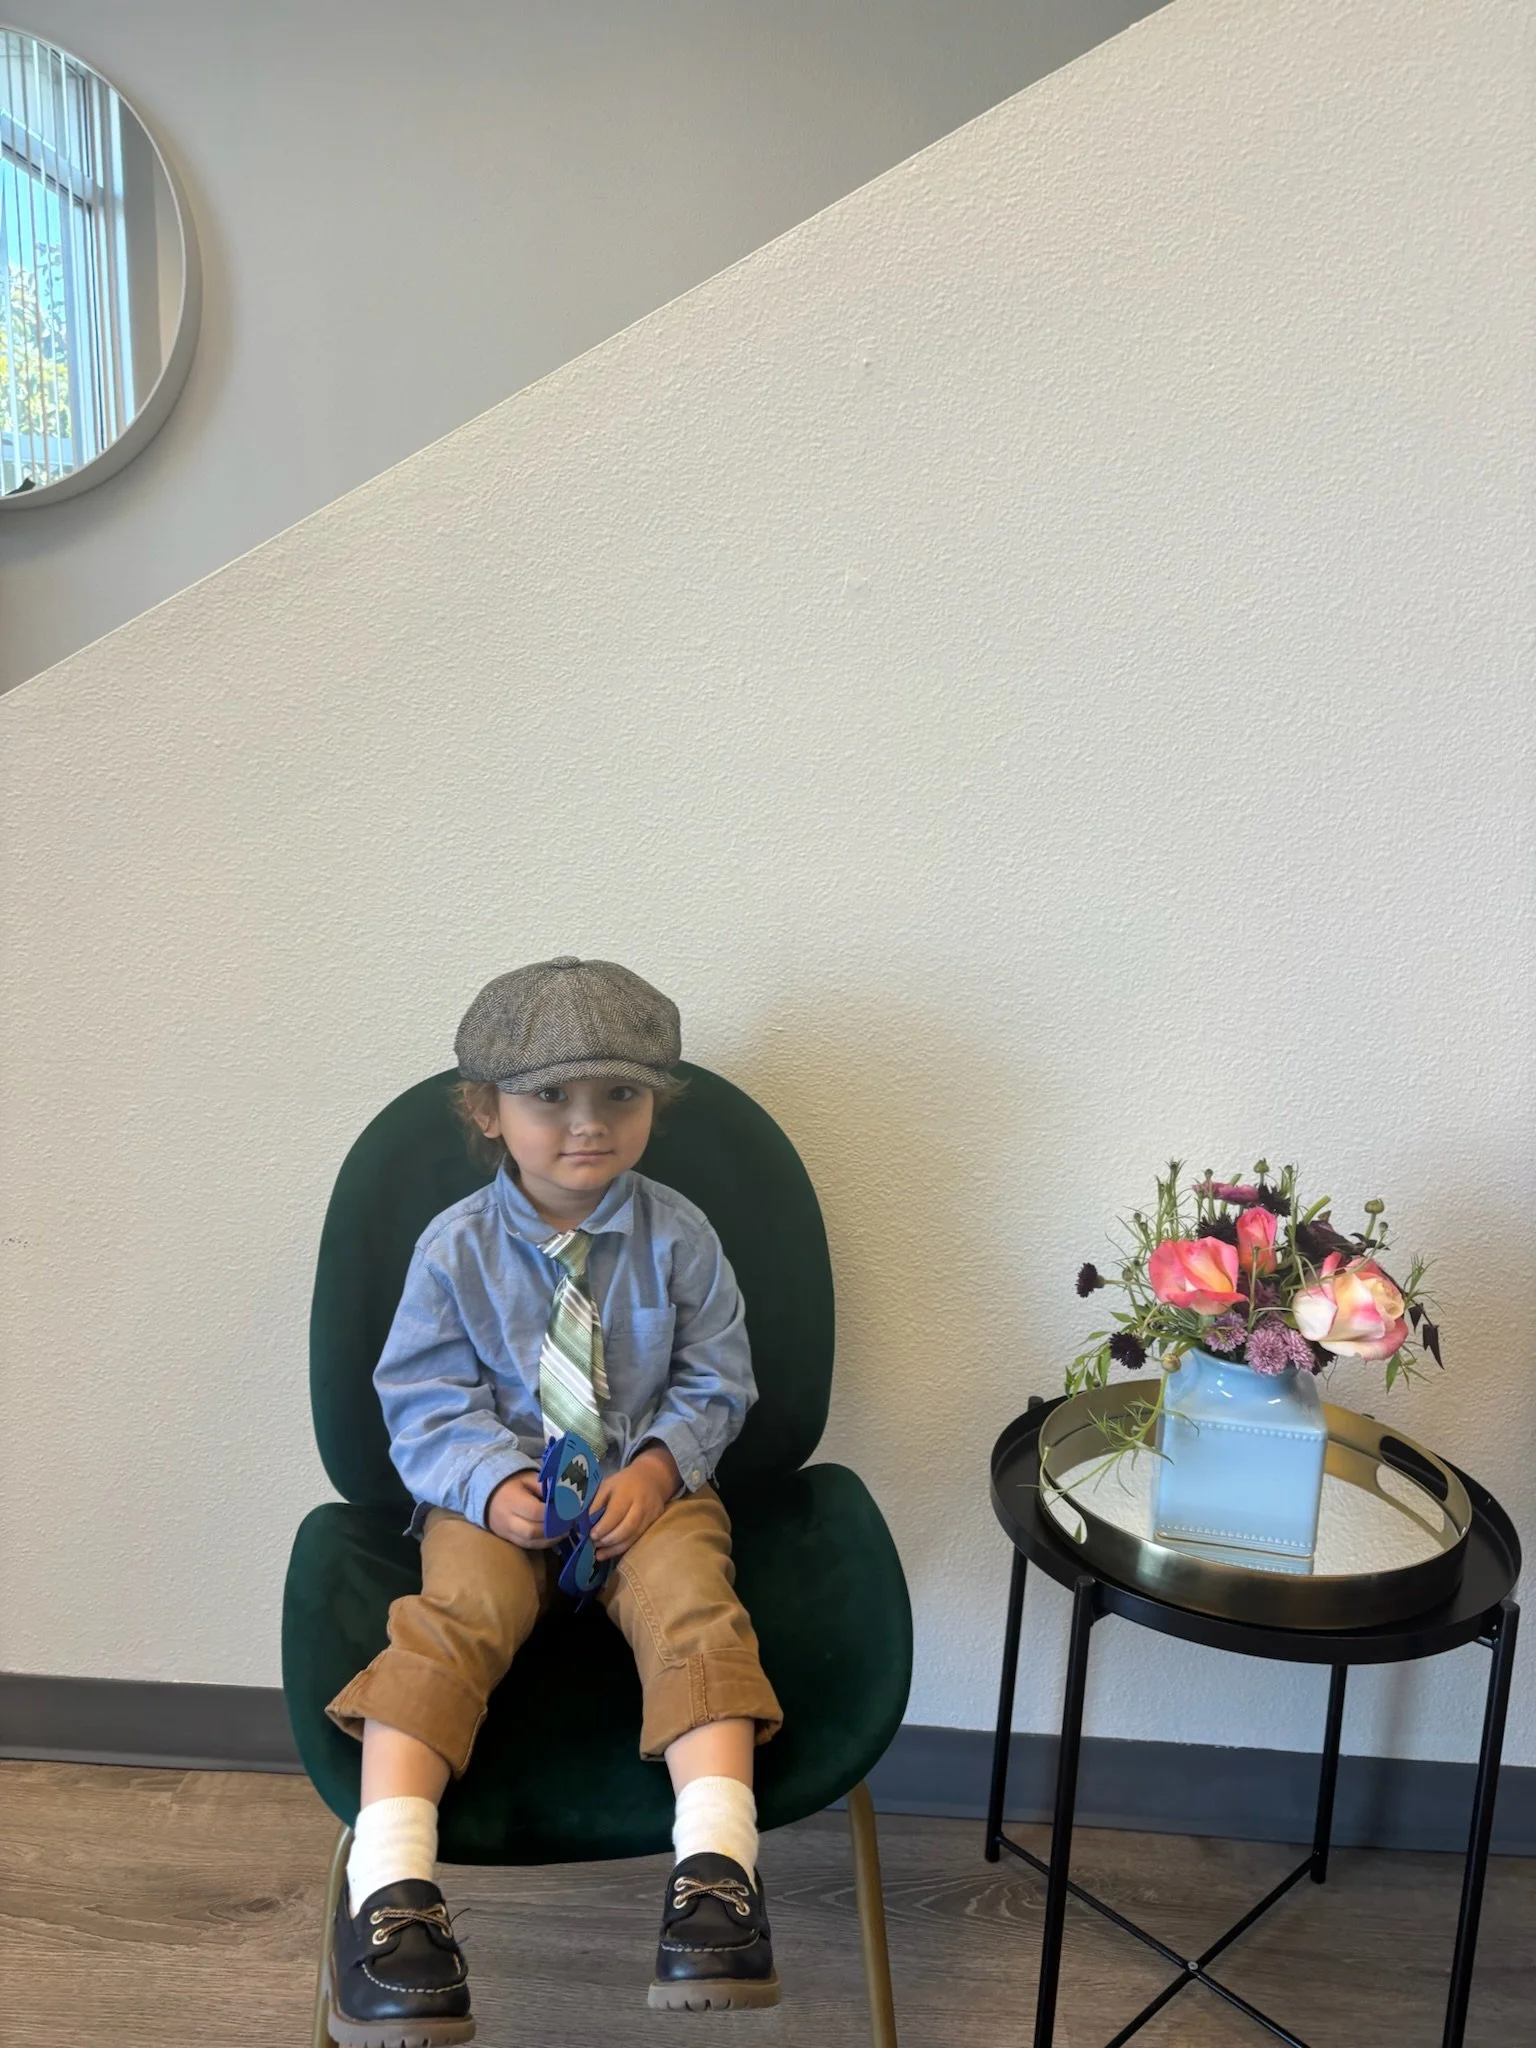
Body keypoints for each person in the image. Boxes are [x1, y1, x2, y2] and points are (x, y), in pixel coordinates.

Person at [323, 956, 784, 2043]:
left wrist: (661, 1467)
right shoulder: (455, 1249)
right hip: (497, 1501)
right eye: (550, 1097)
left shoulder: (681, 1236)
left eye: (620, 1094)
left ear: (653, 1104)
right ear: (487, 1110)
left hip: (649, 1485)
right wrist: (491, 1483)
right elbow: (420, 1399)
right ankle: (390, 1896)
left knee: (695, 1605)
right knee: (453, 1620)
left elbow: (720, 1377)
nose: (589, 1124)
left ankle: (716, 1882)